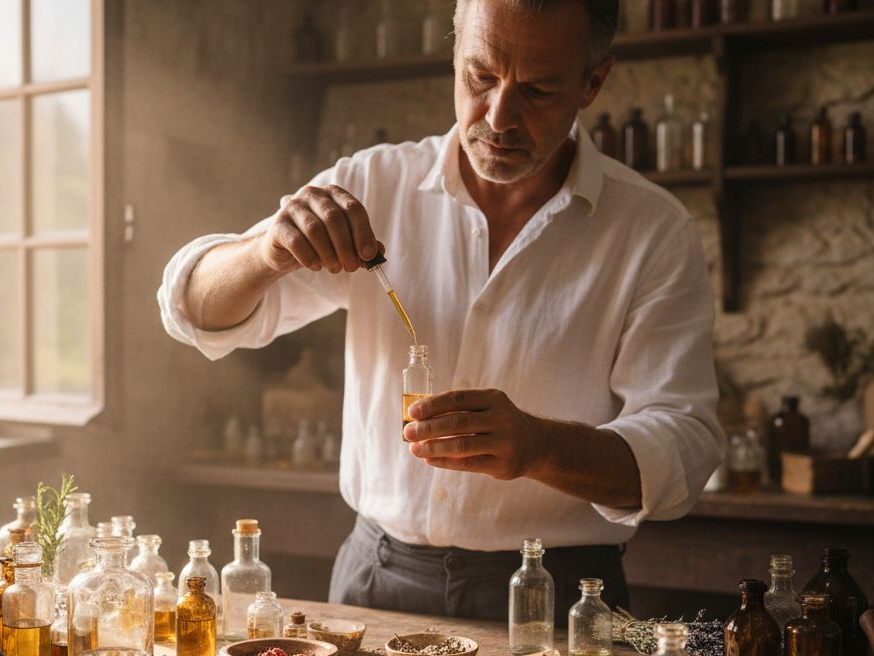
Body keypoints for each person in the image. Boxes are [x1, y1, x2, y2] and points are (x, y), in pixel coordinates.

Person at [159, 0, 724, 622]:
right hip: (374, 576)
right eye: (480, 78)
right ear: (454, 55)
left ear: (593, 82)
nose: (499, 117)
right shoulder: (373, 186)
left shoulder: (652, 230)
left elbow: (684, 444)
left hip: (560, 596)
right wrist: (264, 253)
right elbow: (192, 309)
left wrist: (539, 448)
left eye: (536, 90)